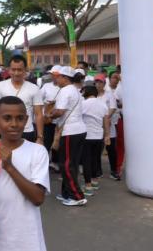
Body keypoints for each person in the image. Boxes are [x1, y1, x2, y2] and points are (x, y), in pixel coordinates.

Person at [0, 96, 49, 251]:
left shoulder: (37, 151)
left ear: (27, 120)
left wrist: (9, 166)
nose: (14, 124)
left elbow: (38, 198)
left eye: (20, 118)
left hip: (28, 240)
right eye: (7, 118)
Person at [49, 66, 87, 206]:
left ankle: (77, 196)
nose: (56, 78)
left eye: (58, 76)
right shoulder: (74, 90)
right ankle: (67, 193)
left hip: (70, 130)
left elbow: (60, 111)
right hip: (78, 130)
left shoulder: (65, 91)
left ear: (65, 78)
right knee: (72, 164)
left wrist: (49, 114)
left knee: (66, 165)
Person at [0, 55, 44, 143]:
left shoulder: (34, 88)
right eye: (13, 69)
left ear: (25, 70)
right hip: (4, 131)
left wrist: (40, 137)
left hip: (27, 132)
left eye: (19, 70)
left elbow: (38, 114)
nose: (16, 73)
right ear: (9, 70)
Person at [80, 85, 110, 196]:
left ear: (86, 93)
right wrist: (107, 135)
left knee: (86, 161)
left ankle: (88, 186)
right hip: (99, 136)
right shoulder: (103, 105)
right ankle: (95, 181)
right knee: (95, 159)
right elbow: (106, 121)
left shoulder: (83, 104)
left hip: (87, 136)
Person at [42, 66, 61, 171]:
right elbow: (39, 99)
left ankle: (55, 162)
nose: (53, 77)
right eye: (52, 75)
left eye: (55, 75)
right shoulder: (46, 86)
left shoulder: (64, 87)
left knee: (58, 142)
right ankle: (44, 163)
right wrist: (46, 104)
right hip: (48, 119)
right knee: (47, 142)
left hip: (60, 120)